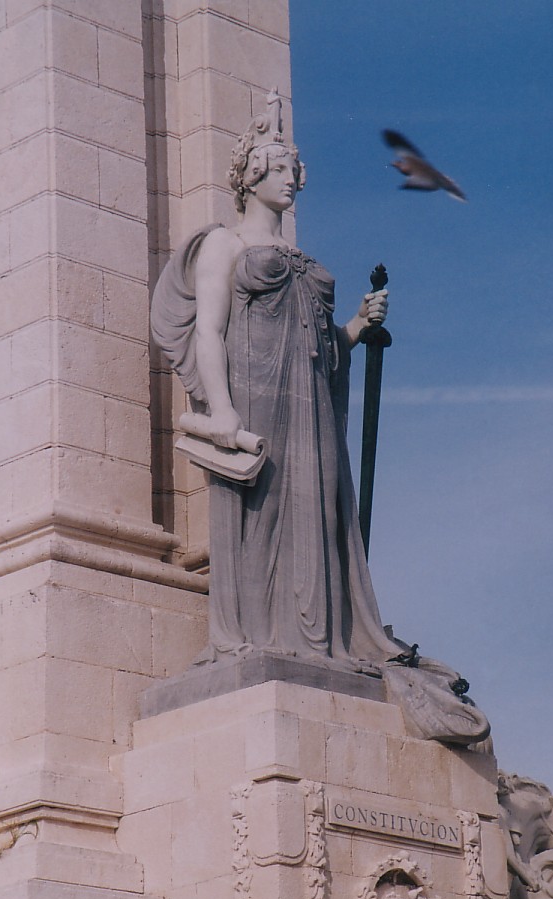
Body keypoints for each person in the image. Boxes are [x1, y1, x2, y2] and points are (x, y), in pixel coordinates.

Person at [151, 91, 401, 669]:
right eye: (279, 170)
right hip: (253, 397)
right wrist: (221, 408)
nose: (291, 181)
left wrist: (357, 325)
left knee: (319, 511)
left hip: (310, 405)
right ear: (251, 175)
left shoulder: (300, 256)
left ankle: (316, 640)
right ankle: (260, 638)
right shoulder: (225, 243)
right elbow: (208, 331)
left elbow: (322, 350)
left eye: (294, 171)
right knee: (259, 515)